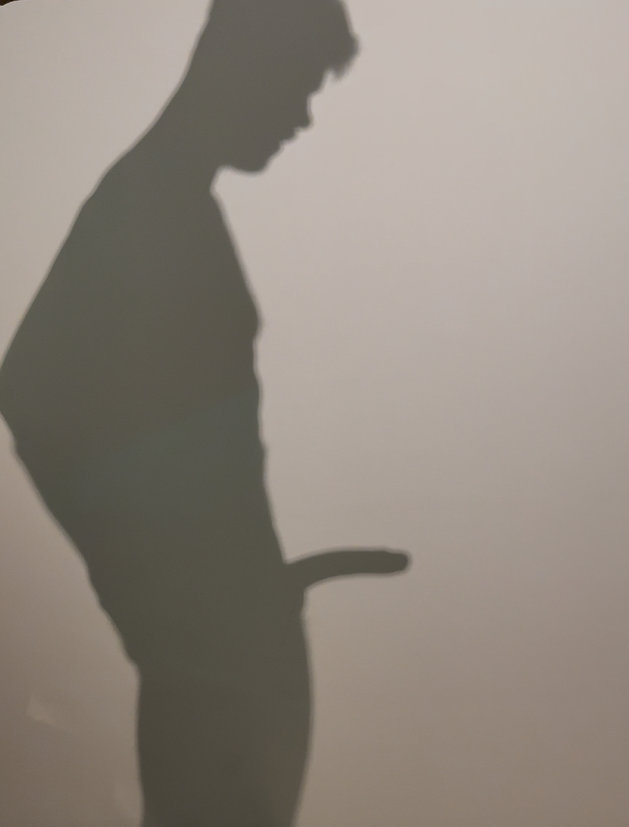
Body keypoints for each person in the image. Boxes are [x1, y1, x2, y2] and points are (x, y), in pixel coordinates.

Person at [0, 2, 408, 824]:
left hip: (227, 661)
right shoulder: (149, 212)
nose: (302, 117)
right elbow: (31, 390)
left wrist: (216, 597)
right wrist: (161, 599)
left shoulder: (166, 206)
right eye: (298, 86)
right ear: (240, 63)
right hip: (215, 672)